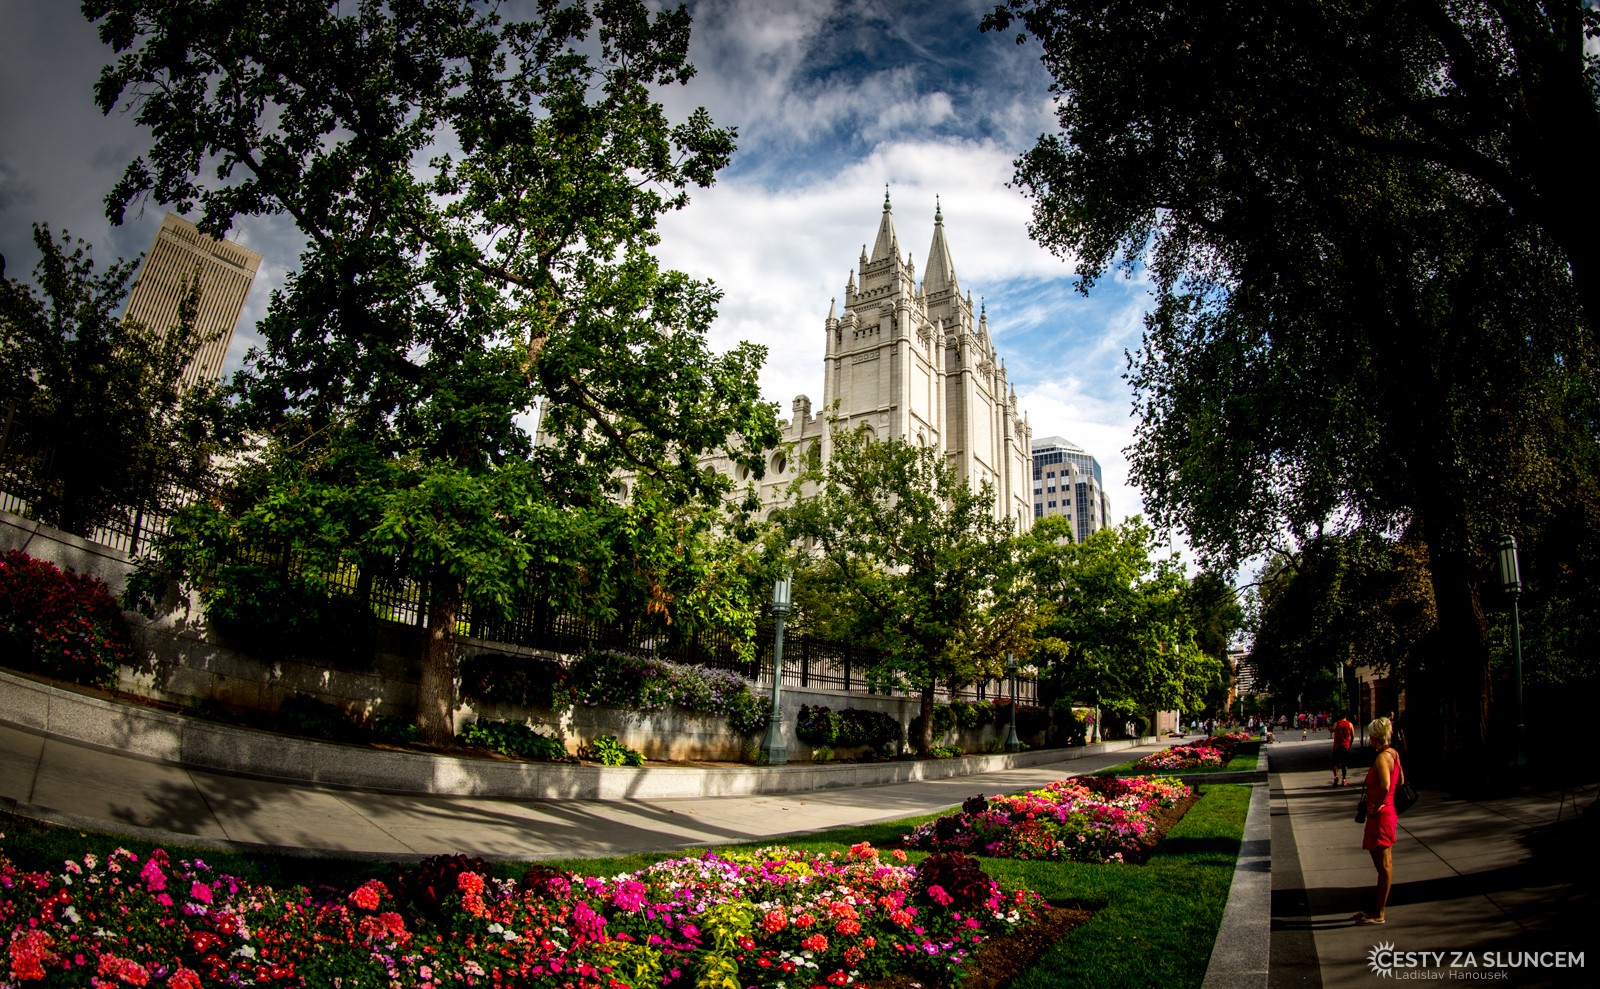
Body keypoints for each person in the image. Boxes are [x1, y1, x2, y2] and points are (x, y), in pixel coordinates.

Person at [1353, 716, 1404, 926]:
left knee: (1383, 866)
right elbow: (1399, 781)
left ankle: (1379, 913)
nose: (1371, 741)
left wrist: (1379, 803)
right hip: (1388, 812)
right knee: (1384, 864)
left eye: (1372, 737)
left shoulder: (1382, 758)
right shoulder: (1394, 754)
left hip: (1380, 816)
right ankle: (1377, 908)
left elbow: (1385, 784)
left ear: (1376, 737)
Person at [1331, 712, 1355, 785]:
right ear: (1346, 716)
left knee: (1335, 763)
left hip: (1337, 746)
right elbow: (1353, 736)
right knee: (1344, 764)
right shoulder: (1350, 724)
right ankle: (1344, 779)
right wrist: (1350, 744)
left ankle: (1336, 777)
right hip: (1345, 746)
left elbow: (1332, 730)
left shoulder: (1336, 723)